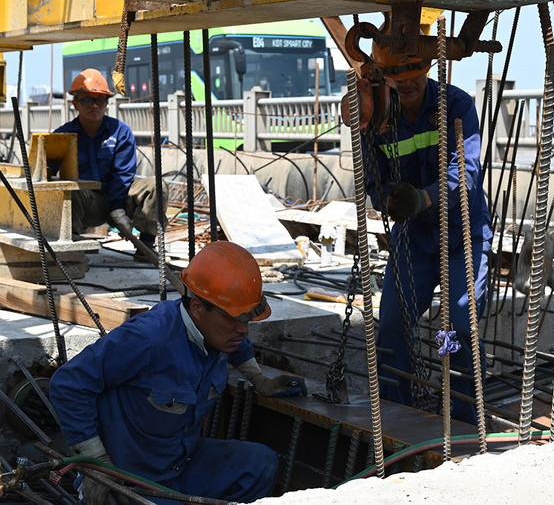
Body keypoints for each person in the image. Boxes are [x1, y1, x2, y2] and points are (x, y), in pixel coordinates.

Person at [49, 241, 307, 504]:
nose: (243, 330)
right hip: (131, 480)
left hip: (180, 464)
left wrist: (259, 379)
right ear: (197, 308)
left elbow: (239, 342)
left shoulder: (220, 333)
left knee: (261, 464)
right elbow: (68, 384)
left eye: (246, 320)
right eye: (234, 319)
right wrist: (97, 466)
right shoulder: (146, 339)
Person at [364, 40, 493, 425]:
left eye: (413, 76)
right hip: (414, 238)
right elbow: (374, 180)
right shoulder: (380, 117)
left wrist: (422, 198)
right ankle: (396, 413)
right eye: (396, 77)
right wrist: (389, 199)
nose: (405, 85)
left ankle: (464, 417)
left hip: (461, 232)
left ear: (427, 69)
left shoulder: (456, 105)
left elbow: (466, 172)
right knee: (390, 325)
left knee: (455, 323)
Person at [53, 68, 166, 256]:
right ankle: (71, 251)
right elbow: (44, 173)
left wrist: (117, 208)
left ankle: (147, 245)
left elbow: (123, 175)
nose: (94, 106)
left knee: (156, 186)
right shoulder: (63, 136)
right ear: (75, 104)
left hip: (121, 199)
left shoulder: (120, 132)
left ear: (106, 103)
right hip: (87, 205)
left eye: (100, 100)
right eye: (87, 100)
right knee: (68, 190)